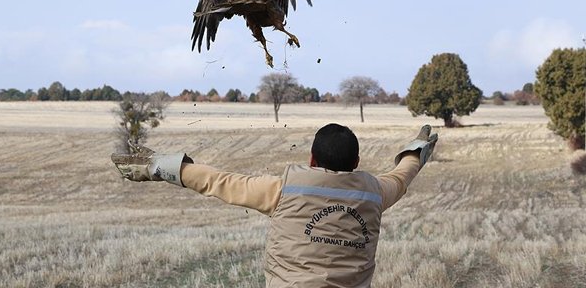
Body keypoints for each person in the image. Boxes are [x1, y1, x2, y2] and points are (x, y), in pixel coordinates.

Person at [111, 123, 438, 288]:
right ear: (356, 162)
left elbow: (218, 181)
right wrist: (416, 150)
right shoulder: (374, 193)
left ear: (311, 160)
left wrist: (158, 167)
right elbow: (402, 175)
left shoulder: (285, 189)